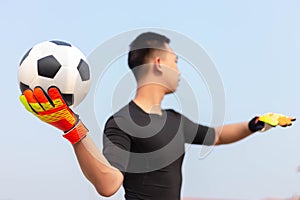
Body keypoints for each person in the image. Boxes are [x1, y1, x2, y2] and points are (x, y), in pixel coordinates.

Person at [20, 32, 296, 200]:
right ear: (159, 62)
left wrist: (255, 123)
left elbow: (218, 135)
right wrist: (74, 129)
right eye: (176, 61)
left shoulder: (175, 121)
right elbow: (109, 184)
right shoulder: (121, 122)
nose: (179, 70)